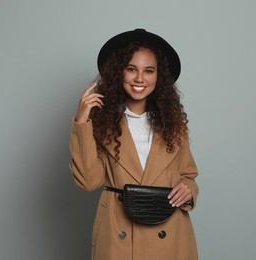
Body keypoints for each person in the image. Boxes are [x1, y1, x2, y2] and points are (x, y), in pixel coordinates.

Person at [69, 28, 199, 260]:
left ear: (159, 77)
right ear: (119, 73)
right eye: (131, 69)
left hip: (169, 231)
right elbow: (88, 182)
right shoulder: (101, 124)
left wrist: (188, 190)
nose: (140, 78)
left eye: (149, 71)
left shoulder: (173, 124)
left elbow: (188, 175)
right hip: (119, 233)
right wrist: (82, 121)